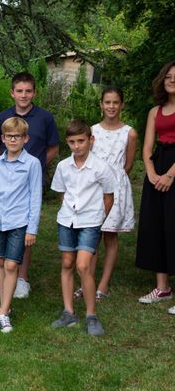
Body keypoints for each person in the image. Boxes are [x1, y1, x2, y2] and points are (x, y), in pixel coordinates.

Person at [0, 72, 59, 299]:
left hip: (30, 178)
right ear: (12, 92)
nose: (23, 95)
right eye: (19, 91)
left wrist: (36, 166)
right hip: (7, 179)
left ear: (34, 92)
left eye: (28, 91)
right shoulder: (2, 117)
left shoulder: (45, 118)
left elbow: (53, 147)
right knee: (7, 225)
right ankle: (6, 275)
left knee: (24, 225)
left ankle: (22, 277)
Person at [50, 120, 115, 336]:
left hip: (91, 221)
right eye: (72, 142)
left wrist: (97, 218)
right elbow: (62, 194)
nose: (77, 146)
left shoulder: (101, 167)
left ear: (91, 140)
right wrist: (70, 211)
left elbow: (108, 197)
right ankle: (69, 312)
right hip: (67, 220)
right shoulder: (63, 166)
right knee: (67, 263)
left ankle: (91, 315)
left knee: (83, 265)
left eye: (81, 141)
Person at [0, 117, 42, 332]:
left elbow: (35, 198)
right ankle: (4, 306)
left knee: (12, 265)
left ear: (26, 138)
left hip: (19, 222)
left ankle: (4, 312)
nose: (13, 140)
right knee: (0, 263)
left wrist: (32, 229)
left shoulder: (32, 163)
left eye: (17, 136)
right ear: (3, 139)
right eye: (9, 136)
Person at [75, 86, 137, 301]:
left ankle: (103, 284)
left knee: (110, 235)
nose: (111, 106)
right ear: (101, 105)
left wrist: (114, 180)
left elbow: (128, 165)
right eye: (107, 102)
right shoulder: (93, 131)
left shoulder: (129, 132)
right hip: (94, 187)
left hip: (116, 188)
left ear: (122, 105)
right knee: (91, 234)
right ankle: (87, 281)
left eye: (115, 102)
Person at [136, 62, 175, 313]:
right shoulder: (155, 111)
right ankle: (162, 288)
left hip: (173, 171)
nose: (172, 80)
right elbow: (147, 147)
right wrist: (151, 174)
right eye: (169, 77)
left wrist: (170, 175)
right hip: (157, 169)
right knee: (157, 226)